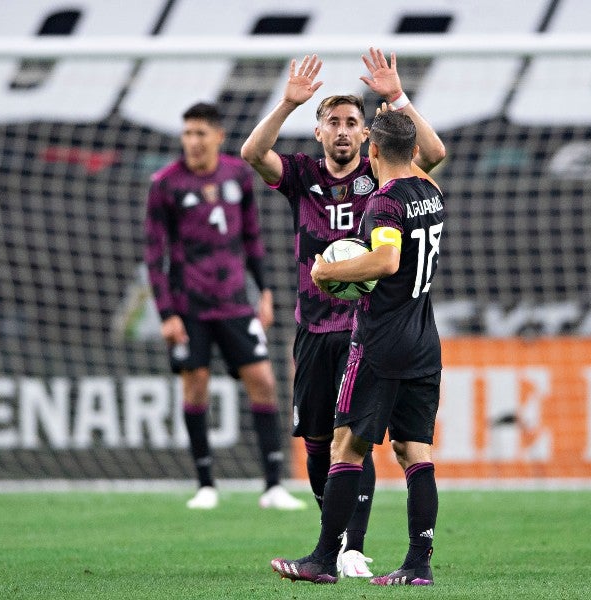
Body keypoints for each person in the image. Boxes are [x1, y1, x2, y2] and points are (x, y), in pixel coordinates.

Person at [240, 49, 445, 577]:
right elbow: (252, 152)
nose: (343, 131)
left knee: (352, 442)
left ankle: (340, 549)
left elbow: (389, 253)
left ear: (368, 140)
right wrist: (286, 103)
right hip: (321, 329)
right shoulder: (307, 175)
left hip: (367, 331)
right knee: (328, 443)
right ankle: (409, 560)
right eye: (333, 121)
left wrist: (329, 272)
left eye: (354, 122)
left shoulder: (383, 192)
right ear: (319, 132)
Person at [144, 101, 306, 511]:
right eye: (187, 133)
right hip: (189, 306)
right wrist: (166, 313)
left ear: (218, 136)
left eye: (199, 133)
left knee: (265, 382)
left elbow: (252, 237)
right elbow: (153, 255)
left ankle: (272, 486)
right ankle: (205, 484)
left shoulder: (238, 174)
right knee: (195, 387)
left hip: (235, 302)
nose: (192, 141)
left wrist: (265, 291)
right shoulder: (165, 183)